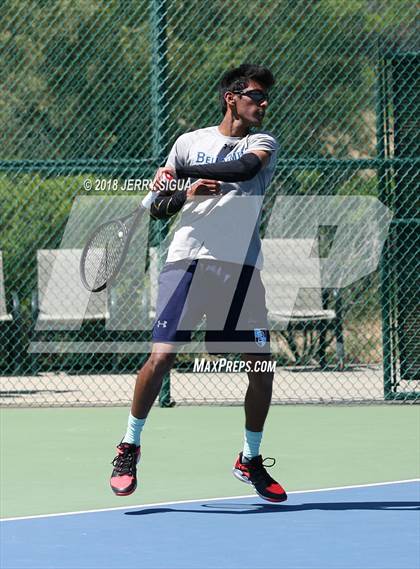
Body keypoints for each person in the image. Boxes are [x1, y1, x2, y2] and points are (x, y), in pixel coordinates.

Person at [110, 63, 287, 503]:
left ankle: (250, 458)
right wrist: (183, 193)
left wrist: (188, 176)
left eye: (266, 98)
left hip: (240, 269)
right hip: (186, 261)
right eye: (255, 96)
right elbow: (155, 205)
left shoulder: (262, 142)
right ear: (232, 97)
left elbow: (246, 170)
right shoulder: (188, 143)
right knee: (162, 357)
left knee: (261, 368)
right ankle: (129, 446)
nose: (263, 104)